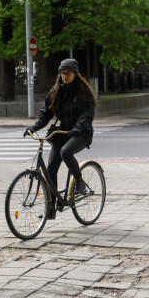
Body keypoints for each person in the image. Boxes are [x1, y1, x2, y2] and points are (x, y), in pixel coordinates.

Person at [23, 58, 96, 219]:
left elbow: (87, 115)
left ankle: (79, 181)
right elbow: (45, 113)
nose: (64, 76)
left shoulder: (83, 91)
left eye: (68, 73)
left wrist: (76, 129)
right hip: (62, 132)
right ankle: (50, 209)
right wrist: (34, 127)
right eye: (62, 73)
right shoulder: (56, 90)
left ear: (75, 73)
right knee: (50, 170)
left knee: (66, 152)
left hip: (81, 133)